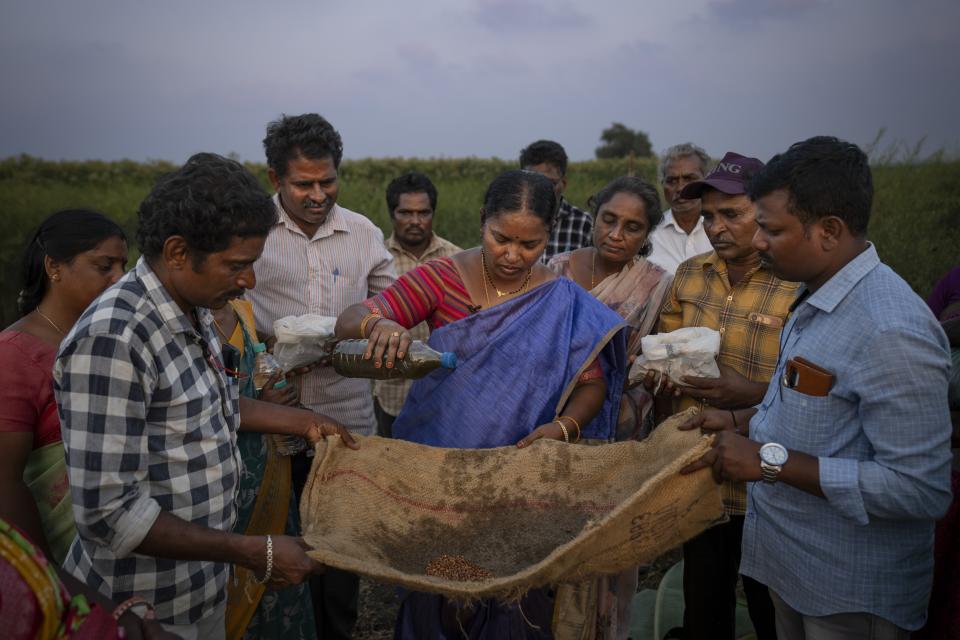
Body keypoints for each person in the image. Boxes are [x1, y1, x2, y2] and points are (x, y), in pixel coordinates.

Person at [54, 153, 357, 640]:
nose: (249, 282)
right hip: (139, 609)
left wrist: (305, 421)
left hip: (199, 590)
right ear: (177, 252)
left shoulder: (192, 311)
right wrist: (248, 550)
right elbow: (108, 514)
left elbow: (214, 407)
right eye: (236, 265)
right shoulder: (115, 337)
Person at [335, 169, 628, 638]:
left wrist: (563, 429)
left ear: (548, 237)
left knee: (514, 603)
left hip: (517, 482)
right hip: (439, 479)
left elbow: (591, 383)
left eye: (529, 245)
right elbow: (351, 319)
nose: (512, 255)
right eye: (500, 238)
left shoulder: (561, 298)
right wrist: (377, 326)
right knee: (436, 597)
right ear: (481, 222)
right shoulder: (441, 278)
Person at [683, 136, 953, 639]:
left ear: (829, 231)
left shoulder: (889, 330)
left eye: (772, 229)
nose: (759, 241)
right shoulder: (815, 296)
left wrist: (767, 461)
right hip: (793, 565)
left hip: (849, 591)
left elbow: (920, 489)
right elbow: (809, 406)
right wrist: (739, 420)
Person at [247, 112, 394, 640]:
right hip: (269, 421)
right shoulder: (251, 230)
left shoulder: (363, 233)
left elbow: (392, 299)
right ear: (274, 179)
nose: (317, 194)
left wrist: (375, 326)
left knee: (338, 557)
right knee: (275, 551)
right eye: (302, 184)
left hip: (345, 418)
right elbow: (227, 313)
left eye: (327, 181)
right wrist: (264, 373)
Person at [653, 153, 798, 640]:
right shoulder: (691, 275)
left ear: (767, 210)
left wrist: (749, 392)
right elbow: (664, 354)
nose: (716, 226)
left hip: (773, 476)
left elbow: (823, 387)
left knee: (770, 606)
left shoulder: (797, 283)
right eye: (709, 215)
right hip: (702, 469)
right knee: (705, 601)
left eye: (731, 214)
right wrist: (664, 376)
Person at [546, 176, 672, 639]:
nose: (617, 234)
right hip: (554, 422)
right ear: (593, 216)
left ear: (647, 234)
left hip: (620, 430)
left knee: (608, 542)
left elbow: (657, 353)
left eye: (632, 227)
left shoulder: (656, 284)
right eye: (609, 220)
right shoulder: (556, 268)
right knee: (551, 534)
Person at [0, 210, 127, 566]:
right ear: (54, 267)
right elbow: (5, 482)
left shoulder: (107, 339)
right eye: (105, 267)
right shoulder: (13, 356)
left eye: (123, 266)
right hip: (56, 563)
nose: (120, 279)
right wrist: (55, 579)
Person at [212, 298, 317, 640]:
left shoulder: (241, 310)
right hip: (226, 476)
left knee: (279, 578)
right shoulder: (188, 323)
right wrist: (267, 407)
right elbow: (206, 405)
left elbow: (254, 365)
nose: (248, 280)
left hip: (268, 465)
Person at [372, 172, 461, 437]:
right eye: (405, 213)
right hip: (393, 395)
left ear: (433, 213)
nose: (414, 221)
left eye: (423, 213)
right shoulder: (377, 260)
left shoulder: (457, 259)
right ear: (392, 214)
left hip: (446, 394)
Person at [520, 139, 593, 262]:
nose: (540, 191)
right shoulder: (510, 219)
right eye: (533, 182)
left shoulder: (584, 223)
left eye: (550, 183)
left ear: (563, 184)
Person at [647, 143, 714, 274]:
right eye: (671, 180)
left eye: (689, 179)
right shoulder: (649, 234)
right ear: (662, 185)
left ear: (706, 181)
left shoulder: (722, 229)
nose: (680, 188)